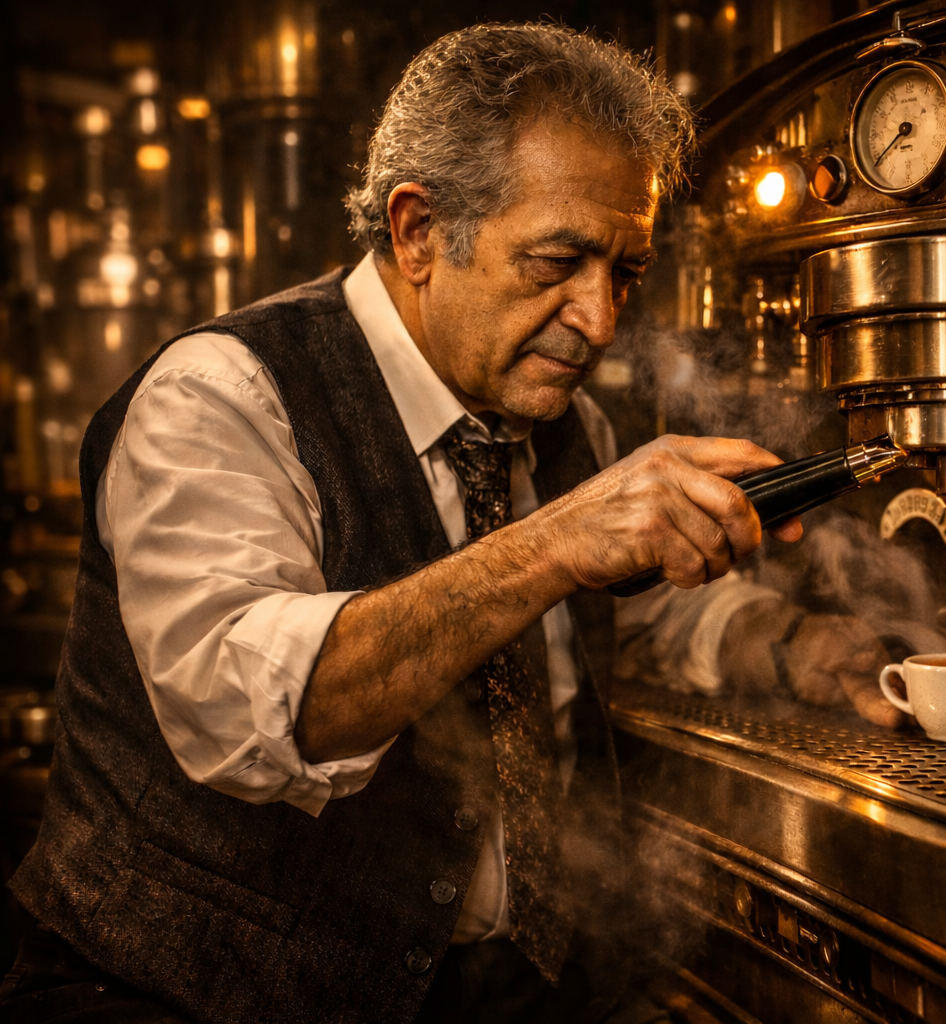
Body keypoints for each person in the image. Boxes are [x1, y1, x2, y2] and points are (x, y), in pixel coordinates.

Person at [0, 23, 892, 1024]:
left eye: (626, 272)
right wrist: (552, 541)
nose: (599, 319)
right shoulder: (220, 396)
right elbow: (258, 713)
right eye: (557, 262)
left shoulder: (566, 424)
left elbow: (628, 616)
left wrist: (794, 641)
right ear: (419, 231)